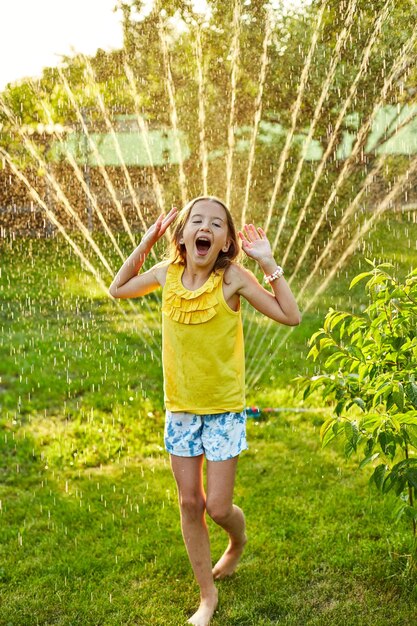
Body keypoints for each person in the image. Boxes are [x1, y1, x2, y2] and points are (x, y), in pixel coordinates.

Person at [109, 196, 301, 626]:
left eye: (216, 224)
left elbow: (291, 315)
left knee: (217, 507)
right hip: (180, 411)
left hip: (223, 413)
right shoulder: (166, 275)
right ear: (182, 235)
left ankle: (237, 539)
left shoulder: (232, 279)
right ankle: (206, 596)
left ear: (227, 241)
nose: (206, 227)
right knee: (189, 502)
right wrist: (144, 243)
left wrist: (269, 264)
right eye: (197, 220)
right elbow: (117, 288)